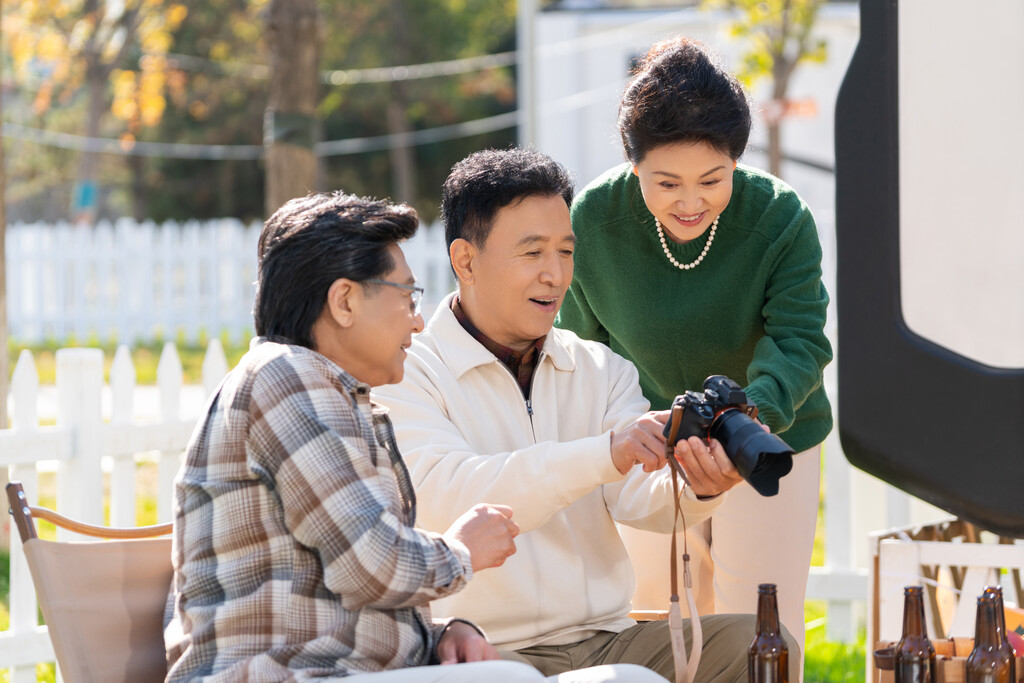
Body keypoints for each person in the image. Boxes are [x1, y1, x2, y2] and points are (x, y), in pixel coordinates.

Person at [164, 191, 662, 683]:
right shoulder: (287, 379)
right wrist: (461, 551)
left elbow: (347, 585)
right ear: (344, 301)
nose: (418, 320)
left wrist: (445, 632)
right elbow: (371, 564)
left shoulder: (336, 396)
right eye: (406, 297)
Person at [374, 148, 797, 682]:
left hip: (609, 638)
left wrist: (699, 486)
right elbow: (447, 492)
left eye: (566, 252)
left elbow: (641, 501)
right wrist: (605, 454)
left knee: (758, 644)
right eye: (532, 253)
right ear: (465, 261)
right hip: (485, 649)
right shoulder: (408, 370)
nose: (555, 275)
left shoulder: (599, 367)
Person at [555, 36, 833, 675]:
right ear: (634, 166)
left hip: (767, 431)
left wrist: (754, 415)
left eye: (713, 180)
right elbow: (577, 349)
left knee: (761, 627)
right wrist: (616, 438)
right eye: (665, 182)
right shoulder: (594, 221)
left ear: (737, 161)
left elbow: (800, 340)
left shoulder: (779, 217)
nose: (690, 202)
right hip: (650, 442)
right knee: (656, 623)